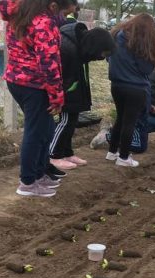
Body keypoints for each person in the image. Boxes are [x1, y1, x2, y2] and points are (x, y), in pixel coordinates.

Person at [1, 0, 75, 197]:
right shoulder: (44, 23)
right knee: (35, 133)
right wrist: (57, 96)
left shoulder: (20, 16)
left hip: (17, 80)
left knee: (45, 129)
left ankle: (40, 172)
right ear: (52, 6)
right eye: (62, 12)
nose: (62, 17)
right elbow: (48, 63)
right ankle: (27, 182)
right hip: (34, 85)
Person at [46, 25, 115, 178]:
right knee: (65, 120)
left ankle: (66, 152)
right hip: (62, 88)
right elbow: (59, 75)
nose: (102, 57)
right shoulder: (68, 48)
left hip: (72, 86)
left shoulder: (79, 46)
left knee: (72, 119)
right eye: (103, 52)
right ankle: (53, 155)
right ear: (96, 46)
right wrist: (58, 96)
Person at [106, 13, 155, 167]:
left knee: (120, 118)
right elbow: (146, 69)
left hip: (116, 86)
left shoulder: (117, 36)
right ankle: (123, 157)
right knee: (129, 122)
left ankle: (112, 152)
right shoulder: (140, 43)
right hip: (135, 89)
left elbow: (108, 58)